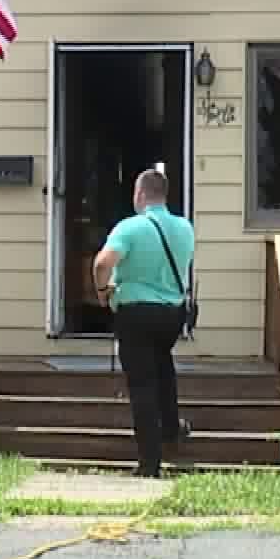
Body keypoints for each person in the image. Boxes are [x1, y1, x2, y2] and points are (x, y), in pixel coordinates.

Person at [91, 167, 196, 478]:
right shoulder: (185, 228)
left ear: (139, 194)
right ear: (163, 195)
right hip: (172, 315)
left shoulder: (130, 227)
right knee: (163, 366)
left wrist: (101, 291)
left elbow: (102, 263)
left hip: (136, 313)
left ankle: (149, 463)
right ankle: (171, 428)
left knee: (142, 385)